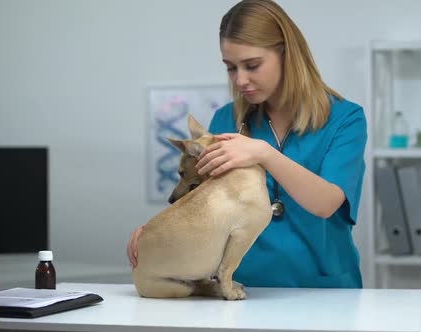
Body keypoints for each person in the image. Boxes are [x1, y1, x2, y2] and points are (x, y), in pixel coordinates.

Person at [128, 0, 367, 288]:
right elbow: (201, 204)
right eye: (231, 68)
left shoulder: (345, 119)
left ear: (287, 54)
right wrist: (156, 232)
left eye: (252, 65)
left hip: (323, 290)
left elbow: (326, 203)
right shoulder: (226, 120)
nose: (240, 80)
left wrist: (263, 154)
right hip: (242, 289)